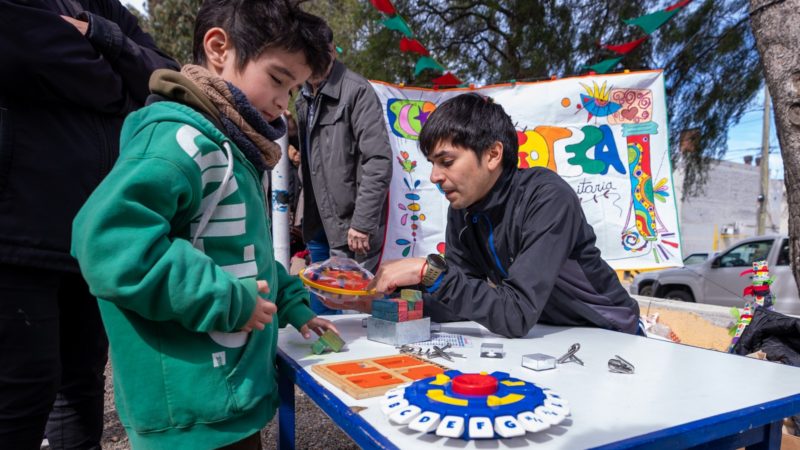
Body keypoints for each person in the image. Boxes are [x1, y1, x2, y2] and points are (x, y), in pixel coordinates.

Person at [71, 1, 337, 448]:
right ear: (218, 48)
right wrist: (229, 299)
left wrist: (292, 304)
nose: (282, 101)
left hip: (229, 400)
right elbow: (107, 242)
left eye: (292, 89)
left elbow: (237, 253)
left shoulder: (235, 145)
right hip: (189, 414)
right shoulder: (180, 138)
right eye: (277, 79)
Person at [0, 1, 178, 448]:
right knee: (21, 396)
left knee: (82, 388)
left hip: (91, 240)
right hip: (16, 233)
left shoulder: (103, 8)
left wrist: (96, 32)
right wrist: (121, 85)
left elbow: (164, 76)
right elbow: (24, 50)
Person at [367, 93, 641, 338]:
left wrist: (429, 271)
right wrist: (385, 300)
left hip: (607, 332)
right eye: (433, 164)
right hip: (543, 330)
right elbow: (461, 299)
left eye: (446, 162)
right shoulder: (462, 211)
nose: (435, 176)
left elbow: (516, 313)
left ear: (493, 154)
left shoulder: (547, 197)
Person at [295, 23, 392, 314]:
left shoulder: (357, 92)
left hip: (352, 229)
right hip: (317, 224)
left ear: (330, 52)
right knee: (321, 313)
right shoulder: (302, 97)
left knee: (352, 314)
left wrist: (362, 222)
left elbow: (378, 160)